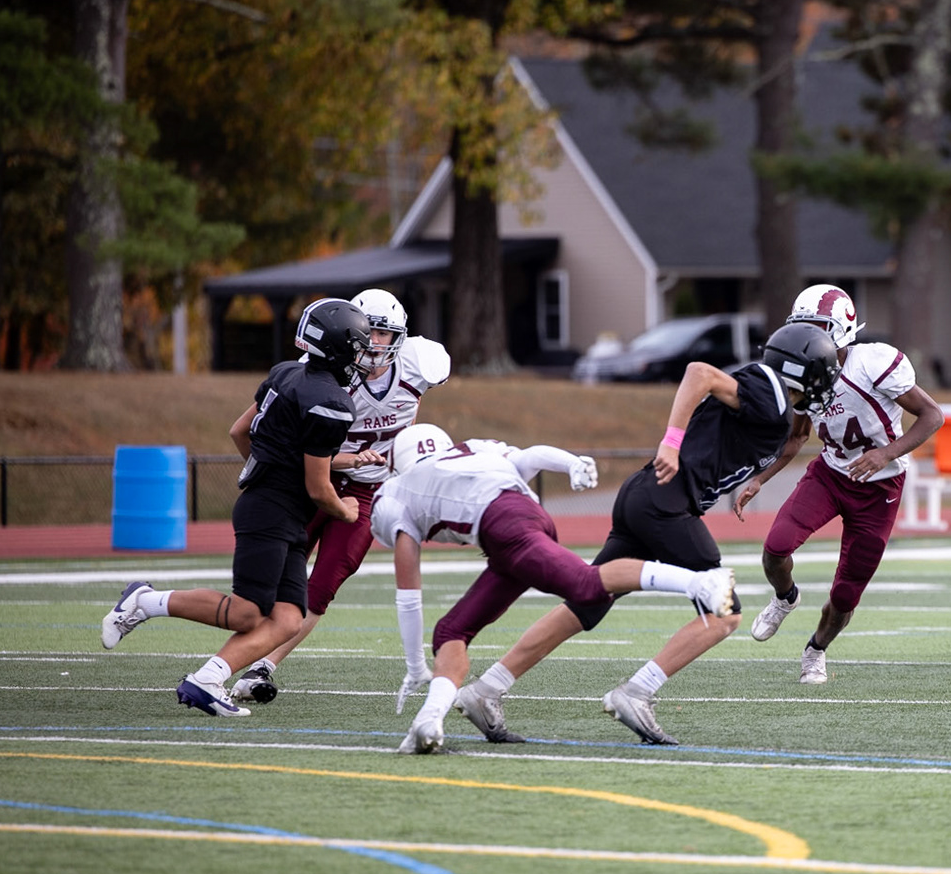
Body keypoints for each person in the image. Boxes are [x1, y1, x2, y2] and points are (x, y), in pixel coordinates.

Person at [452, 323, 839, 746]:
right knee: (724, 611)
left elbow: (779, 436)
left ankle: (486, 689)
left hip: (646, 499)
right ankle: (635, 693)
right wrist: (671, 443)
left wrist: (754, 480)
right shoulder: (769, 393)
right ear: (806, 372)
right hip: (665, 505)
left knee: (587, 602)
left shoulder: (780, 408)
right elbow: (698, 373)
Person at [374, 424, 737, 753]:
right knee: (451, 630)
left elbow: (408, 591)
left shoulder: (396, 491)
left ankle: (697, 582)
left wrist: (415, 664)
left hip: (506, 528)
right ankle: (439, 714)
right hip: (518, 525)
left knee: (587, 586)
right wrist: (571, 463)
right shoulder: (472, 448)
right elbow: (530, 457)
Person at [100, 299, 372, 715]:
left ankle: (207, 679)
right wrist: (347, 510)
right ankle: (146, 600)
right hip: (273, 510)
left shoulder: (287, 372)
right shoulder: (331, 402)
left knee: (287, 619)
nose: (362, 354)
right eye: (357, 345)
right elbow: (319, 489)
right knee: (247, 612)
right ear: (338, 348)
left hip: (276, 508)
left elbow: (239, 430)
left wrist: (266, 468)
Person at [232, 288, 451, 704]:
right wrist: (341, 460)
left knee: (325, 583)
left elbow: (407, 415)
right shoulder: (318, 374)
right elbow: (270, 436)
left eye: (386, 335)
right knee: (274, 579)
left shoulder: (421, 366)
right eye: (369, 334)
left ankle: (264, 664)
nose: (376, 344)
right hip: (312, 484)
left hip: (369, 491)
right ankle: (229, 660)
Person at [734, 284, 943, 684]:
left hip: (880, 487)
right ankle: (785, 598)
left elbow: (932, 416)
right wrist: (759, 479)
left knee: (846, 594)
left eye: (817, 326)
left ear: (841, 327)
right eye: (803, 326)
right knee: (775, 547)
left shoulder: (874, 362)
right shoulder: (806, 368)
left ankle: (816, 650)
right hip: (831, 474)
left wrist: (886, 453)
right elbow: (797, 438)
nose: (808, 335)